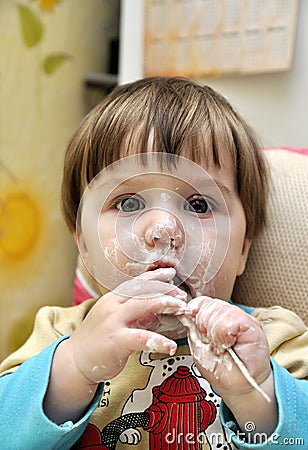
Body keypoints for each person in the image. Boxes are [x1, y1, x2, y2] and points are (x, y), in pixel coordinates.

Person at [0, 77, 307, 450]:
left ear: (243, 248)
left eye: (198, 205)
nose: (164, 230)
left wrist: (257, 395)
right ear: (82, 241)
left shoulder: (275, 341)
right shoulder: (59, 333)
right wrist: (74, 369)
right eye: (129, 203)